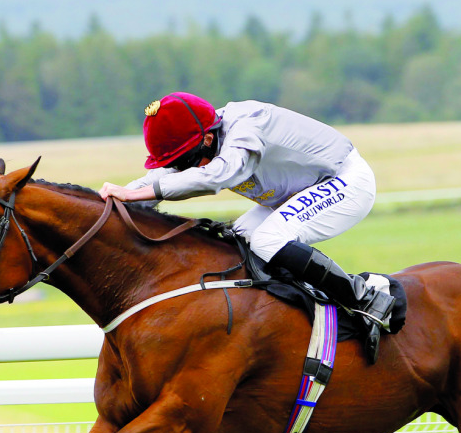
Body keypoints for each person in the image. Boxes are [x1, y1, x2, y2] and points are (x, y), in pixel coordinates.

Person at [99, 92, 396, 338]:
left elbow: (218, 176)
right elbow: (162, 176)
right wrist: (114, 201)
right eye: (177, 163)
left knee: (267, 240)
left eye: (185, 162)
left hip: (344, 180)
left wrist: (134, 195)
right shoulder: (201, 133)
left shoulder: (246, 127)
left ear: (205, 140)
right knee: (235, 247)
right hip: (295, 192)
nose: (184, 170)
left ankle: (366, 300)